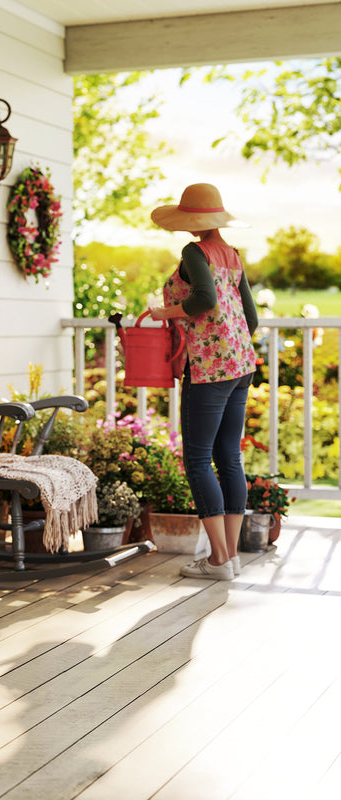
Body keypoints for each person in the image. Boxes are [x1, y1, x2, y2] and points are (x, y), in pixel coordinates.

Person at [149, 183, 258, 580]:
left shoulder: (195, 252)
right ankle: (230, 557)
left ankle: (218, 560)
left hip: (208, 368)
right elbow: (251, 318)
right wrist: (229, 341)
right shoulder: (233, 255)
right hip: (240, 364)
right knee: (229, 457)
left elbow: (205, 299)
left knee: (197, 460)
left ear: (193, 219)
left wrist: (164, 313)